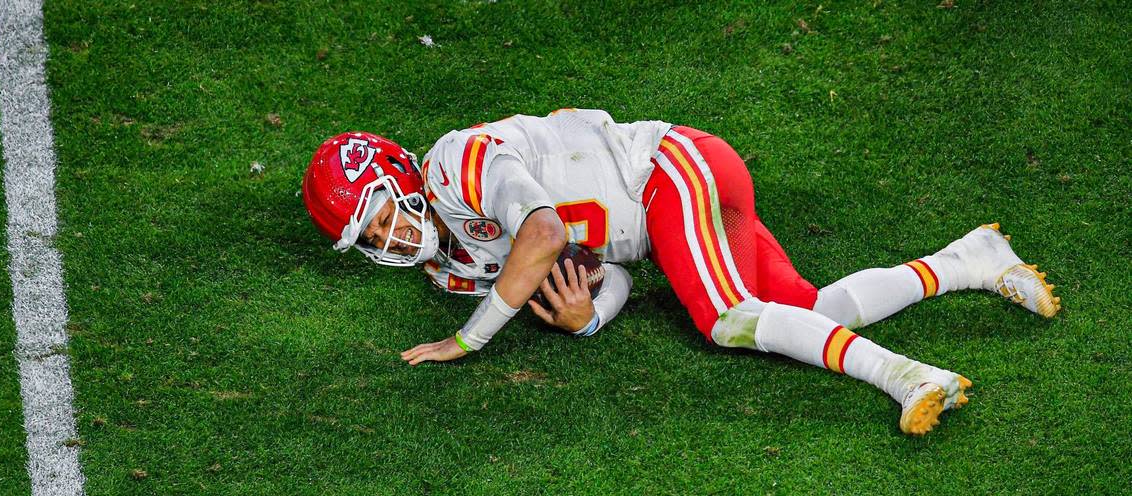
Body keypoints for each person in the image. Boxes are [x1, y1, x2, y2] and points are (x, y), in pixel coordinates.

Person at [302, 109, 1060, 436]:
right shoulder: (455, 272)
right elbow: (612, 277)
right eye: (368, 234)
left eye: (383, 210)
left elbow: (543, 230)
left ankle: (906, 377)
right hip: (668, 216)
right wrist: (585, 317)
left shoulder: (452, 163)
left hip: (672, 171)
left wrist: (467, 342)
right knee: (809, 310)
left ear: (401, 174)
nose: (390, 232)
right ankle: (967, 261)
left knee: (726, 319)